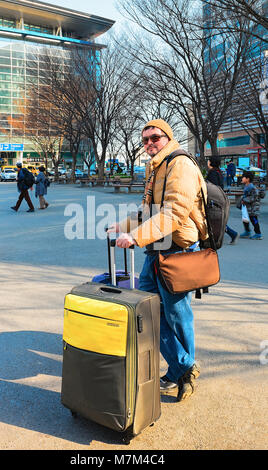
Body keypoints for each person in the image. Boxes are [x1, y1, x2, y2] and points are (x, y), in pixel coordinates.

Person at [108, 119, 208, 401]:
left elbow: (174, 212)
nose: (149, 143)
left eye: (155, 138)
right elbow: (148, 210)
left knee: (177, 315)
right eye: (145, 140)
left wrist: (136, 237)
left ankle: (180, 373)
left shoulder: (181, 165)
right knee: (147, 312)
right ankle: (185, 367)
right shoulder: (156, 167)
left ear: (168, 137)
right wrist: (123, 226)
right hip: (156, 248)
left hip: (176, 250)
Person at [206, 157, 239, 245]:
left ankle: (233, 234)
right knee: (217, 220)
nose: (207, 162)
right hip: (219, 198)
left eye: (208, 161)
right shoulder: (218, 172)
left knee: (215, 221)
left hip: (214, 200)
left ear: (211, 163)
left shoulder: (213, 173)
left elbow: (212, 187)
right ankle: (232, 234)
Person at [239, 171, 263, 240]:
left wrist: (244, 200)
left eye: (243, 177)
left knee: (254, 220)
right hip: (247, 207)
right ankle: (247, 231)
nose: (242, 179)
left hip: (253, 208)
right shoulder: (246, 186)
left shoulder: (251, 187)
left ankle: (258, 233)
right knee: (245, 219)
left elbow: (254, 197)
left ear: (248, 179)